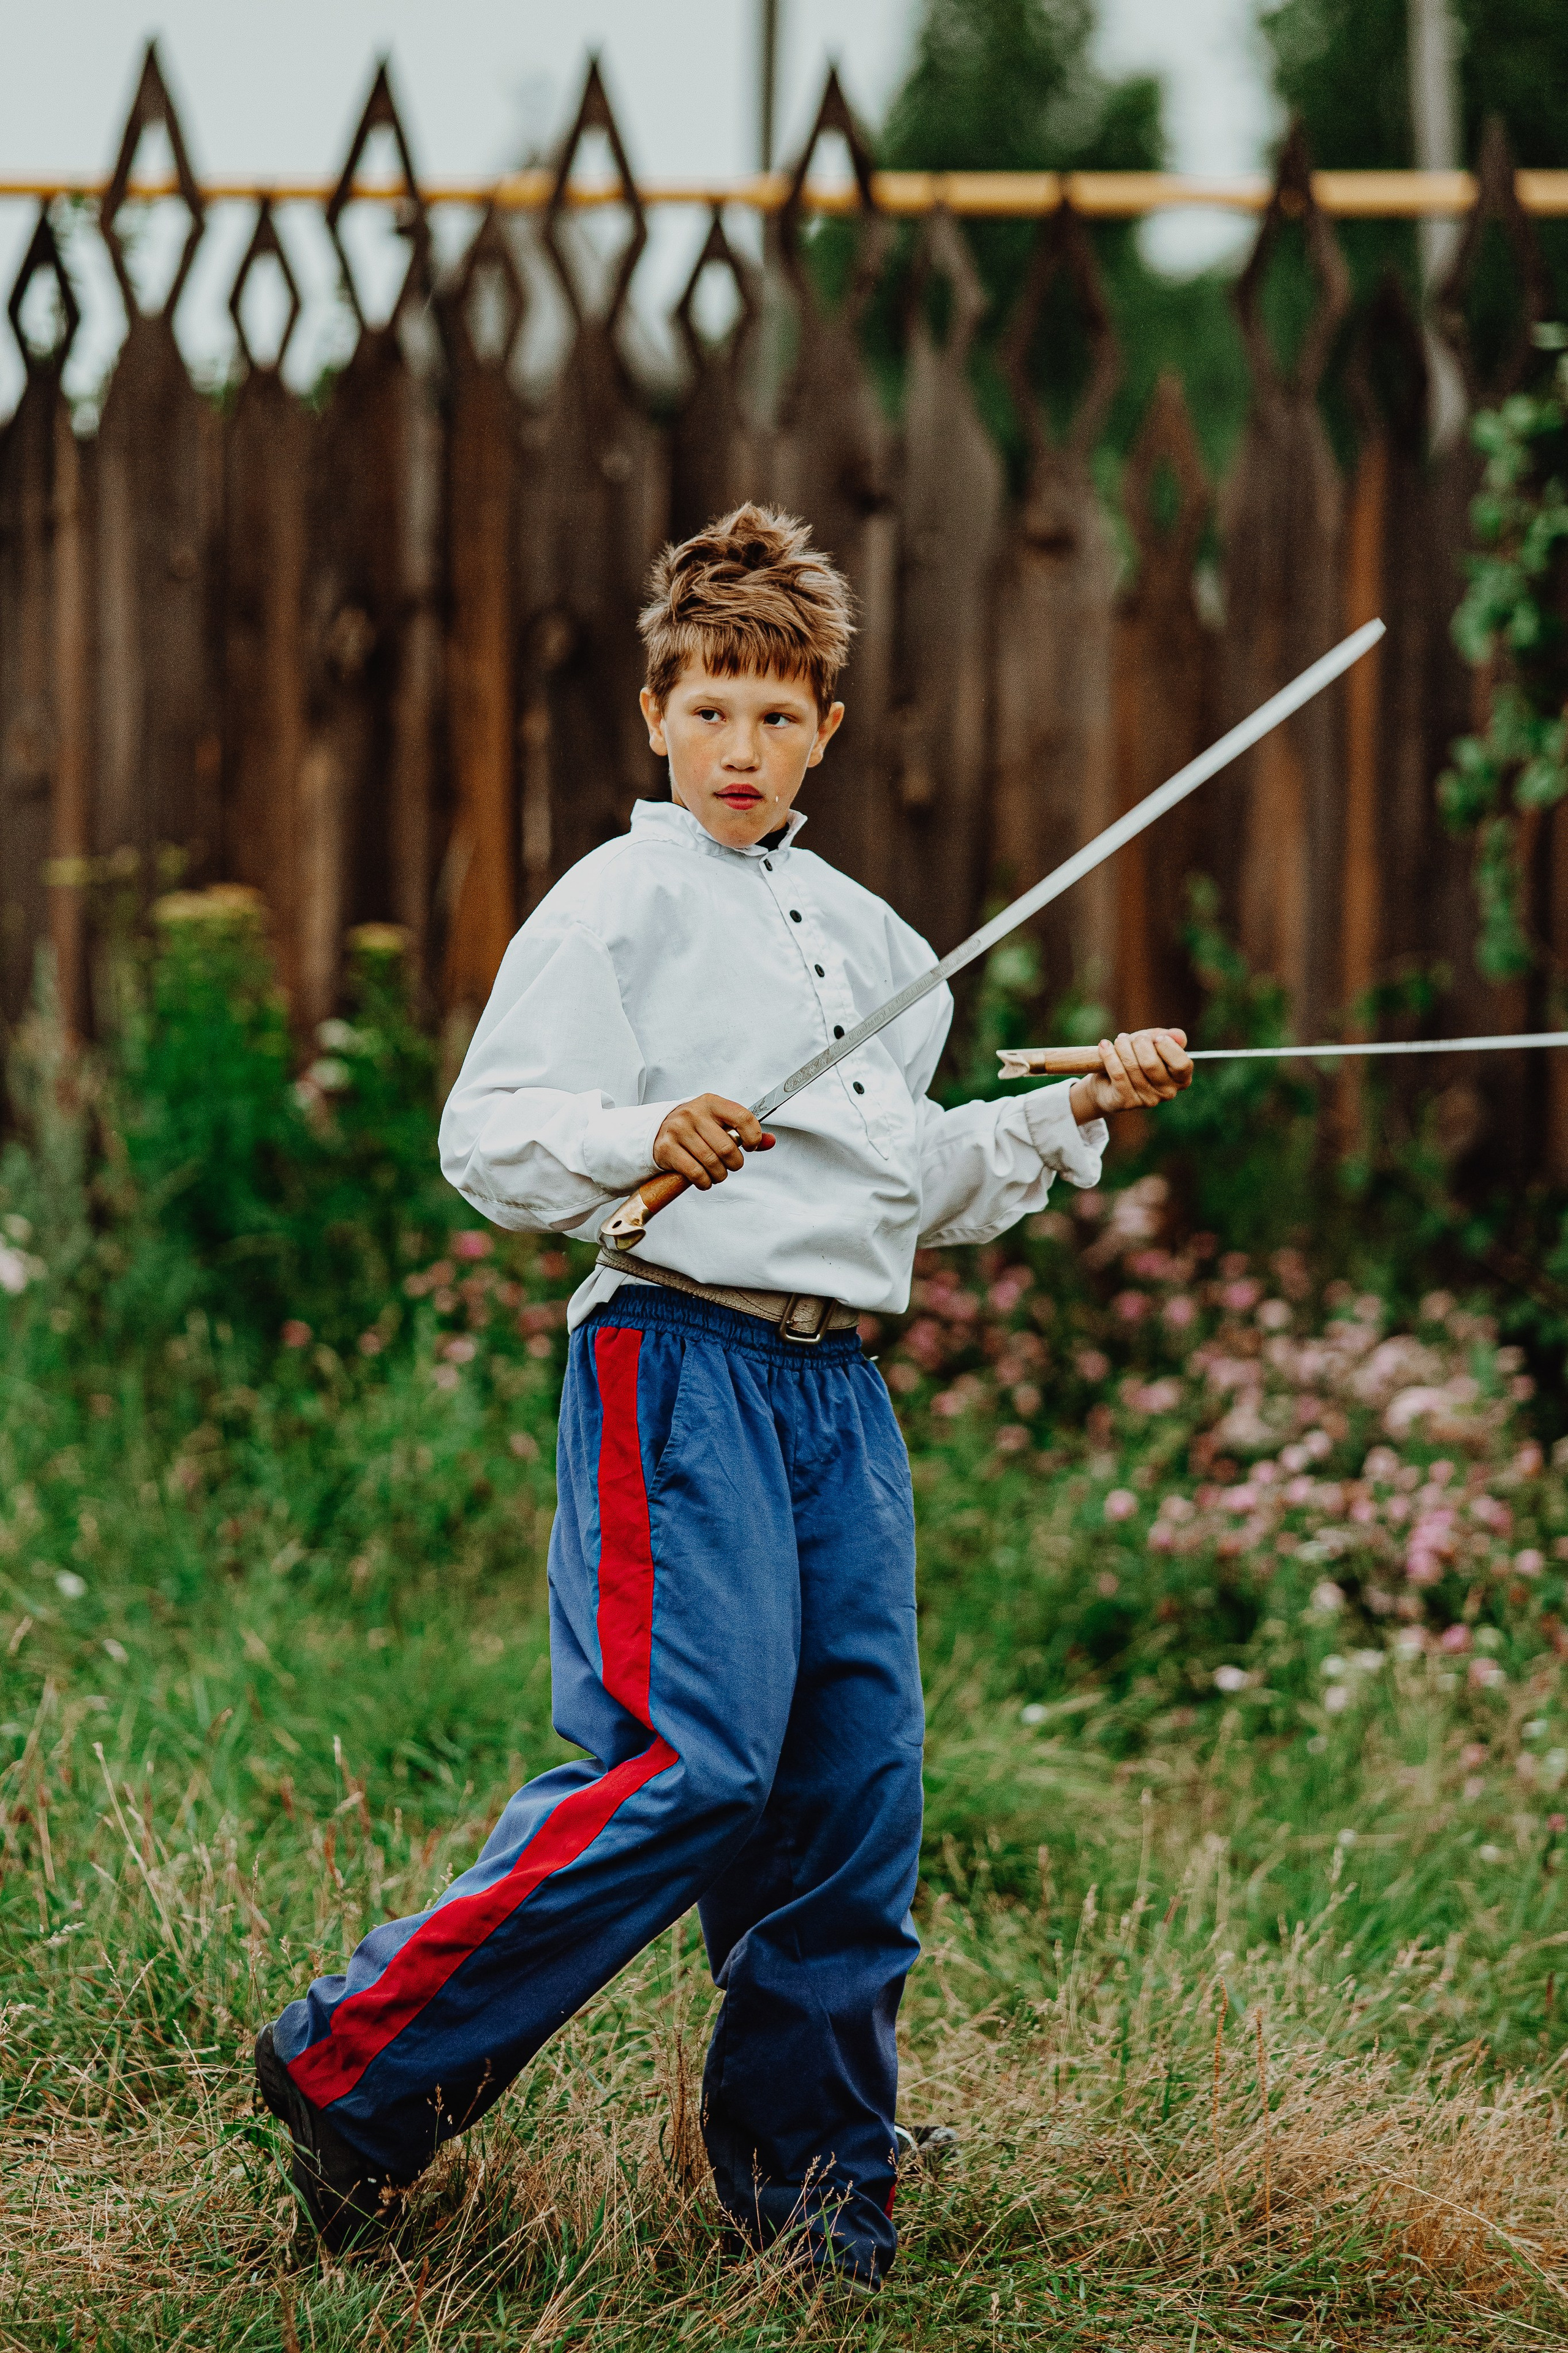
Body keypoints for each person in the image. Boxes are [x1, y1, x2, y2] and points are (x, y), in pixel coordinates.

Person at [254, 503, 1193, 2287]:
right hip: (677, 1360)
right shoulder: (617, 902)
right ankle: (349, 2064)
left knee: (854, 1794)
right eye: (708, 710)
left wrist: (1075, 1107)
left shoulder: (879, 941)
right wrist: (644, 1133)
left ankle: (816, 2204)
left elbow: (908, 1181)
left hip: (839, 1395)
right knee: (692, 1764)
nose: (739, 746)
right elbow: (488, 1136)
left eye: (775, 714)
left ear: (826, 727)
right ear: (656, 715)